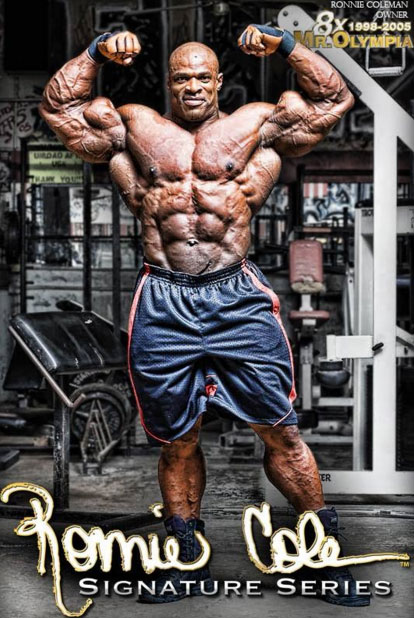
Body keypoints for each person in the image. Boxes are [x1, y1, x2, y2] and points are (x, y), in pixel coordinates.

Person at [39, 23, 365, 606]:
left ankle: (321, 557)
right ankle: (185, 559)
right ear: (168, 83)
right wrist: (95, 51)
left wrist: (287, 46)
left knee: (281, 429)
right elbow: (58, 108)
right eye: (180, 79)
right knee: (176, 440)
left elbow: (333, 99)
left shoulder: (256, 124)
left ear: (219, 82)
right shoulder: (135, 127)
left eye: (201, 78)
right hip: (163, 297)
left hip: (235, 295)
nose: (191, 87)